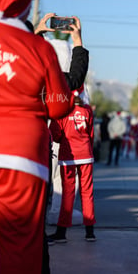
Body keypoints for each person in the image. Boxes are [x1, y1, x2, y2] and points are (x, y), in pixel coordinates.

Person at [0, 0, 74, 273]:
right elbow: (59, 105)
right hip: (21, 154)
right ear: (25, 6)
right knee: (20, 244)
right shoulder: (39, 47)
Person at [48, 92, 97, 241]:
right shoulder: (87, 110)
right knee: (87, 192)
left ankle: (61, 232)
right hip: (86, 154)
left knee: (67, 193)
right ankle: (90, 232)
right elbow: (91, 133)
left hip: (68, 156)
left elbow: (55, 135)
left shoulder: (62, 111)